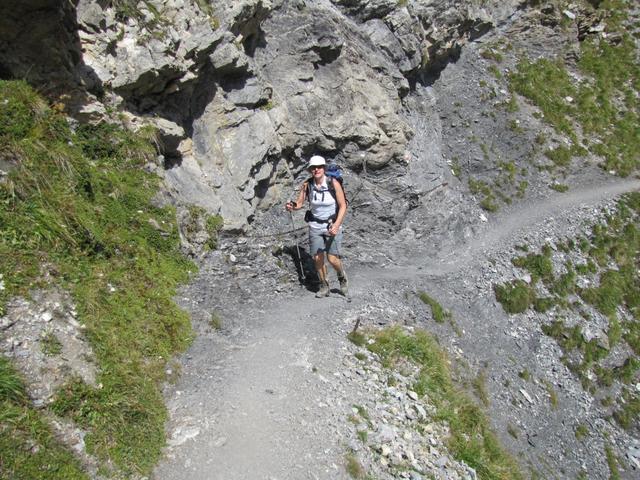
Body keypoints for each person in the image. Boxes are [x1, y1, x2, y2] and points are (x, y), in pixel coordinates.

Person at [286, 155, 348, 297]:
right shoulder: (307, 185)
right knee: (317, 258)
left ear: (324, 168)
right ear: (310, 170)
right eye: (313, 167)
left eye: (319, 167)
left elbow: (343, 205)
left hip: (332, 225)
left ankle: (341, 276)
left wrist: (337, 225)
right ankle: (324, 285)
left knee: (332, 259)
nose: (316, 170)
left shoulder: (333, 183)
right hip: (315, 225)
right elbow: (299, 203)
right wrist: (292, 206)